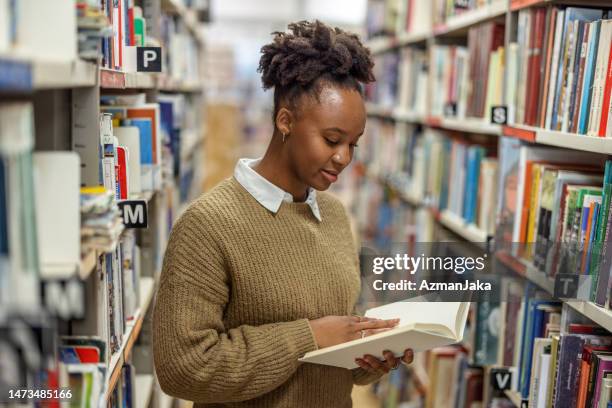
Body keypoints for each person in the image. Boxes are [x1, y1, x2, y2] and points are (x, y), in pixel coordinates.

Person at [152, 20, 414, 407]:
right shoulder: (207, 225)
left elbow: (334, 348)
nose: (343, 158)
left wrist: (372, 354)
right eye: (331, 139)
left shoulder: (335, 216)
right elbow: (184, 368)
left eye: (353, 144)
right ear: (285, 121)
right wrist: (308, 336)